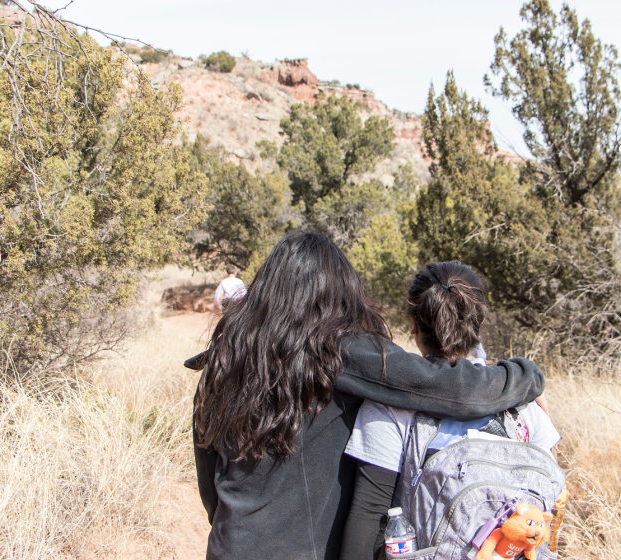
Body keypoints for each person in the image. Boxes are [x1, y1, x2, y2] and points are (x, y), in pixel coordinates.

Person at [191, 233, 547, 560]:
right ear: (339, 293)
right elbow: (448, 387)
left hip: (231, 545)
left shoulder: (223, 360)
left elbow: (211, 486)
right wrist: (525, 376)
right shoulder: (340, 353)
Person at [340, 261, 561, 560]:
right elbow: (551, 497)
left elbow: (370, 513)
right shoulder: (522, 401)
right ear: (479, 324)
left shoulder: (389, 405)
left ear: (414, 324)